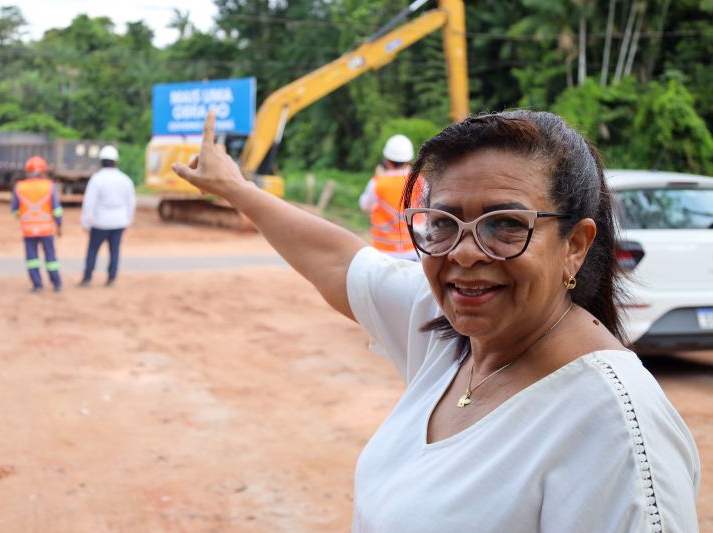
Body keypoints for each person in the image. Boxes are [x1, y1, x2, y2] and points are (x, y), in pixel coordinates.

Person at [173, 110, 700, 531]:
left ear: (575, 247)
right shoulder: (451, 335)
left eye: (505, 225)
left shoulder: (615, 429)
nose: (465, 253)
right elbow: (339, 261)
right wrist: (236, 188)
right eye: (442, 223)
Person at [78, 145, 136, 287]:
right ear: (116, 161)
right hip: (119, 222)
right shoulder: (125, 179)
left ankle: (87, 278)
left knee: (93, 250)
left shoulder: (97, 179)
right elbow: (131, 202)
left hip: (100, 222)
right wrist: (128, 220)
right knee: (114, 251)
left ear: (101, 161)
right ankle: (111, 279)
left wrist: (85, 223)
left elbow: (89, 203)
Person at [359, 134, 418, 260]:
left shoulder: (377, 182)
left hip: (384, 252)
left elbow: (364, 206)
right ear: (409, 160)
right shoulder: (420, 181)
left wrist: (381, 176)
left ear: (387, 161)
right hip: (415, 249)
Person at [11, 156, 63, 293]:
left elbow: (15, 210)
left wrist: (23, 218)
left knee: (32, 259)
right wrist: (59, 225)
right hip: (46, 229)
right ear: (42, 171)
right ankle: (56, 283)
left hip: (28, 230)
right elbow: (56, 209)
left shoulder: (20, 187)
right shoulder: (49, 186)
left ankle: (37, 285)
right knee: (51, 258)